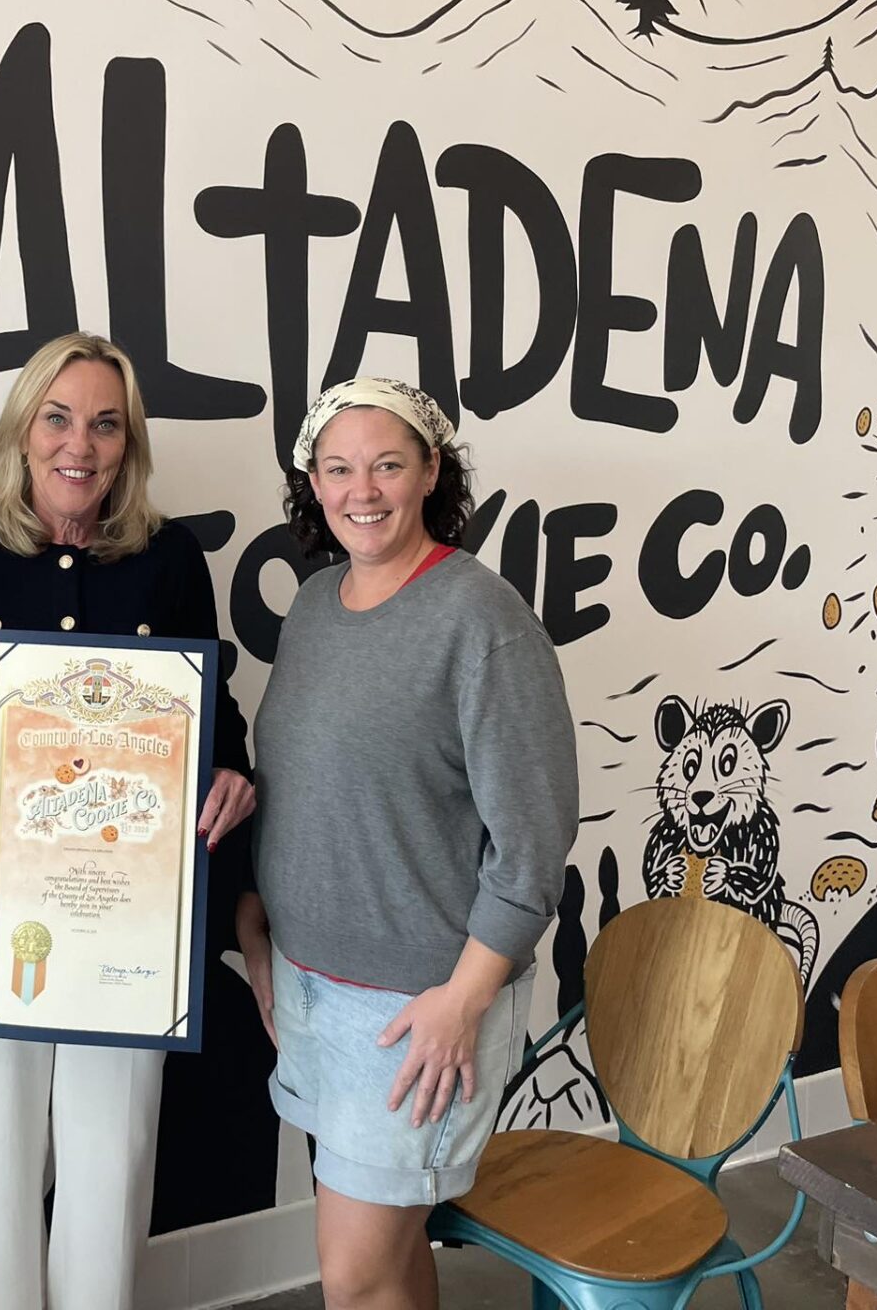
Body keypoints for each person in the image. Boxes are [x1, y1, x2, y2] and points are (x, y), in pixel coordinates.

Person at [0, 332, 256, 1310]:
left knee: (112, 1152)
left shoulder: (170, 557)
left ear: (129, 443)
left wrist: (232, 768)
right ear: (23, 430)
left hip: (130, 913)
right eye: (57, 418)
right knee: (1, 1156)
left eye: (104, 424)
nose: (78, 445)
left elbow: (208, 706)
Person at [236, 377, 578, 1310]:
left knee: (353, 1277)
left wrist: (464, 999)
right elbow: (299, 783)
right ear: (313, 482)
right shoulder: (316, 605)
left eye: (387, 464)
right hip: (309, 986)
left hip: (416, 1007)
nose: (363, 490)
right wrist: (260, 926)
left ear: (431, 471)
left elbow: (533, 842)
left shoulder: (482, 620)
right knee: (387, 1262)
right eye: (339, 468)